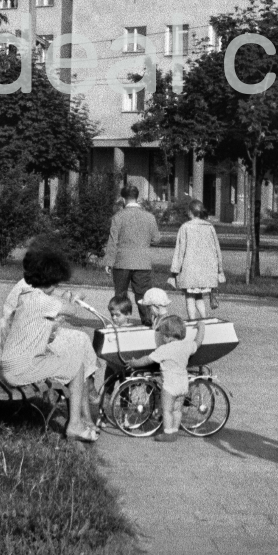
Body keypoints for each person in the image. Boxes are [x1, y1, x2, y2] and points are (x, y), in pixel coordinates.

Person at [0, 247, 102, 442]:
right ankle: (75, 424)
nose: (55, 287)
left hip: (13, 363)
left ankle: (78, 419)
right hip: (21, 369)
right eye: (55, 283)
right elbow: (72, 311)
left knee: (65, 359)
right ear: (49, 282)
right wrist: (74, 300)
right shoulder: (42, 302)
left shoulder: (27, 295)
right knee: (76, 365)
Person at [127, 314, 198, 442]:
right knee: (177, 410)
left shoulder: (164, 349)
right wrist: (201, 328)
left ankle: (167, 433)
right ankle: (174, 432)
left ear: (166, 336)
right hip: (183, 385)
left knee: (167, 411)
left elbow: (146, 360)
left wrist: (134, 363)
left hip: (170, 387)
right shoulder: (187, 346)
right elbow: (198, 342)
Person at [105, 184, 163, 324]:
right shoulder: (149, 217)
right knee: (143, 296)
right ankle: (148, 322)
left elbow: (113, 242)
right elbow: (156, 239)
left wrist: (108, 262)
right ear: (137, 198)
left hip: (122, 261)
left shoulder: (118, 217)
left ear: (123, 199)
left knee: (120, 295)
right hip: (142, 262)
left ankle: (120, 322)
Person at [168, 199, 226, 320]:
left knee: (190, 297)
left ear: (190, 212)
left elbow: (180, 251)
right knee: (199, 296)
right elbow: (217, 250)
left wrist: (174, 271)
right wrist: (220, 270)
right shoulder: (210, 227)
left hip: (190, 270)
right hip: (206, 270)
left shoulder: (185, 227)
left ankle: (192, 320)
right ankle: (205, 319)